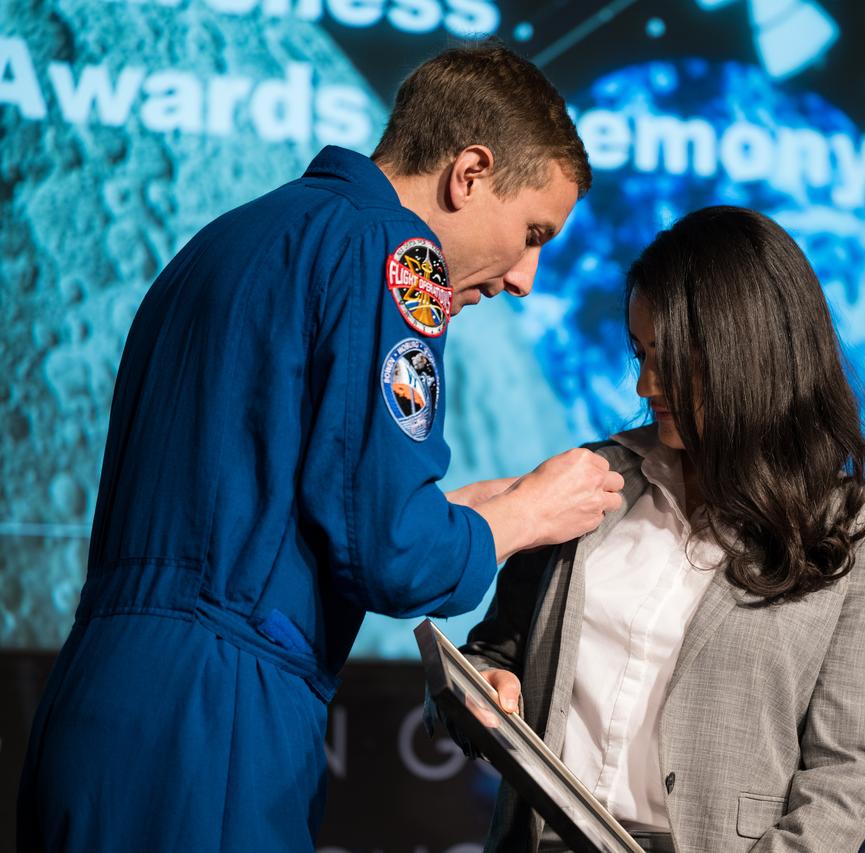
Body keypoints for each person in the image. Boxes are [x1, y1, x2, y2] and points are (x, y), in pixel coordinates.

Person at [17, 42, 625, 852]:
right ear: (469, 173)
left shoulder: (230, 238)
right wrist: (527, 514)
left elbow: (278, 497)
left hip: (96, 702)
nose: (526, 277)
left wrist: (466, 507)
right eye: (533, 231)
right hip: (217, 723)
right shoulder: (398, 258)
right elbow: (391, 552)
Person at [440, 206, 865, 853]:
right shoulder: (590, 478)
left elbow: (845, 779)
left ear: (747, 351)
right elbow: (493, 654)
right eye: (641, 353)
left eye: (669, 358)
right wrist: (488, 689)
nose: (644, 383)